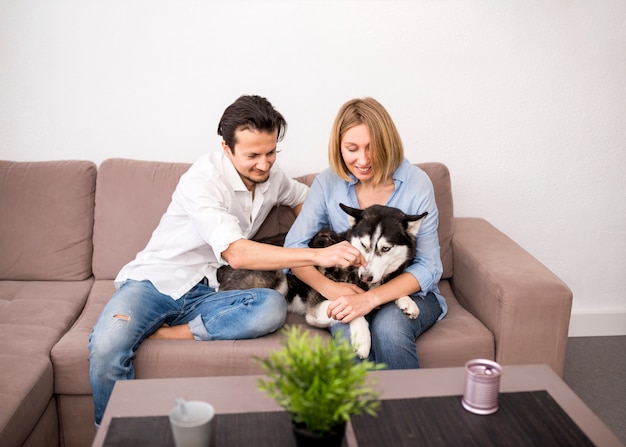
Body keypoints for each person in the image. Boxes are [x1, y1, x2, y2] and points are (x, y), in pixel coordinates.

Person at [88, 95, 364, 426]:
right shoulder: (201, 181)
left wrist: (312, 235)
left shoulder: (271, 178)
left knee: (271, 307)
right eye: (252, 156)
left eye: (271, 152)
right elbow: (236, 252)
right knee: (106, 350)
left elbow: (303, 199)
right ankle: (117, 435)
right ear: (226, 148)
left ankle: (165, 334)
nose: (264, 164)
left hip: (213, 291)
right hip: (157, 283)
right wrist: (318, 254)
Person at [284, 97, 448, 369]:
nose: (362, 160)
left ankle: (410, 411)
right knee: (348, 336)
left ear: (388, 143)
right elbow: (294, 251)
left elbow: (429, 265)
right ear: (339, 147)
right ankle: (358, 412)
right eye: (352, 148)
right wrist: (333, 290)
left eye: (372, 148)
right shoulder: (327, 183)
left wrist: (369, 300)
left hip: (408, 292)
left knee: (390, 331)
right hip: (348, 287)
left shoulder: (417, 183)